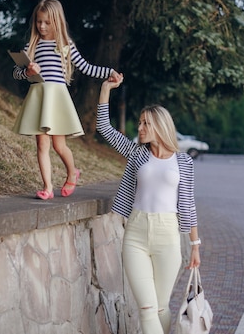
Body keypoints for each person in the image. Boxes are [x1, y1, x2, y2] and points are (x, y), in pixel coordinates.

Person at [97, 76, 200, 334]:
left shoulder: (184, 162)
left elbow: (188, 205)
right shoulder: (137, 153)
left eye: (145, 123)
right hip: (136, 234)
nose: (139, 127)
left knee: (160, 308)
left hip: (168, 236)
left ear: (159, 126)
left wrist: (196, 245)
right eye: (140, 122)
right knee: (146, 308)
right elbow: (104, 127)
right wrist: (105, 89)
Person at [13, 0, 122, 200]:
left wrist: (110, 71)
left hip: (56, 99)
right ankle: (47, 187)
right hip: (39, 98)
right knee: (42, 145)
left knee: (58, 146)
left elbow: (86, 67)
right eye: (39, 21)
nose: (42, 26)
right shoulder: (32, 45)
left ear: (57, 21)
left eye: (47, 22)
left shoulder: (64, 44)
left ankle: (72, 172)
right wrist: (28, 72)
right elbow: (16, 73)